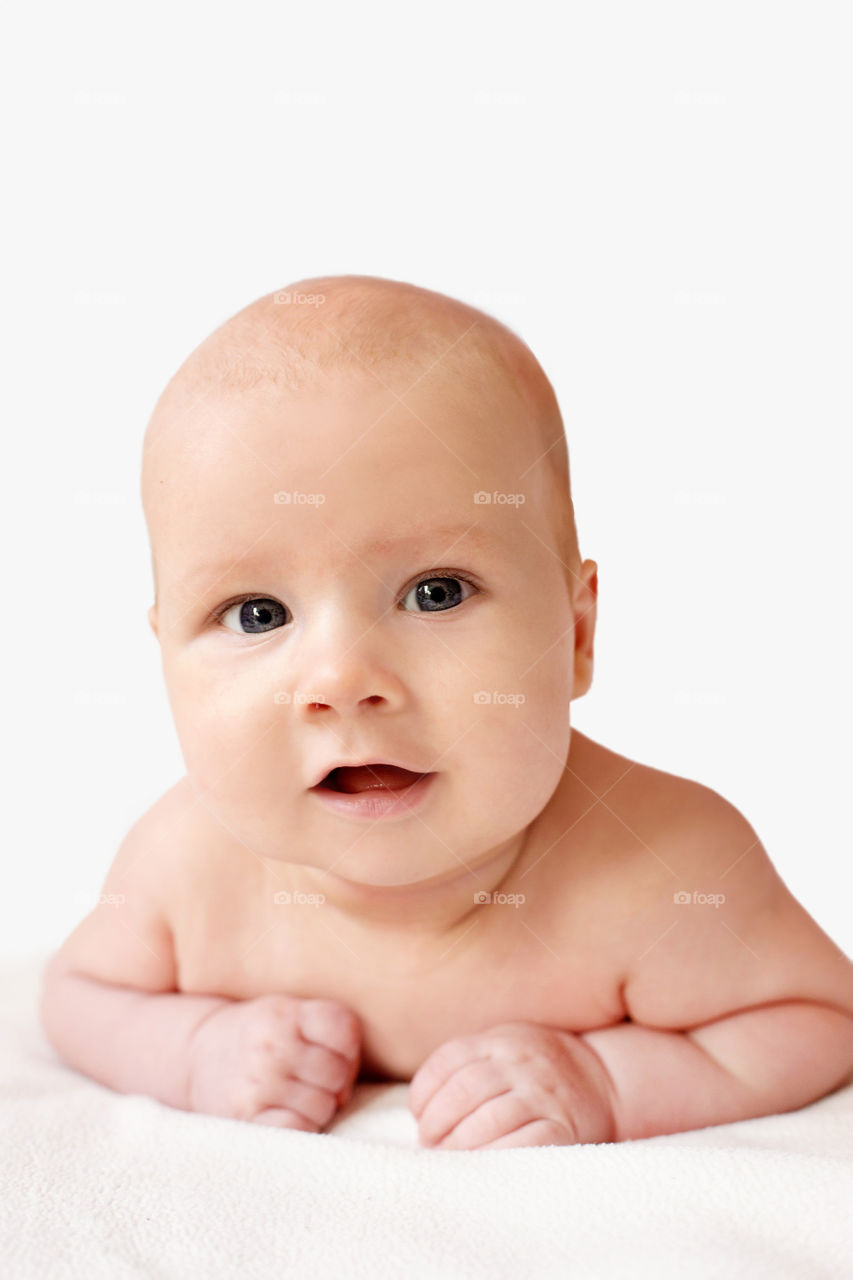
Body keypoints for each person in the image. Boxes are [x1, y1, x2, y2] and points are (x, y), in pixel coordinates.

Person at [39, 275, 853, 1150]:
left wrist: (608, 1084)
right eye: (256, 614)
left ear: (574, 632)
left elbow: (813, 1018)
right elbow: (79, 996)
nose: (344, 681)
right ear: (163, 655)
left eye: (435, 592)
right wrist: (198, 1050)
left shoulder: (666, 870)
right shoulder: (184, 868)